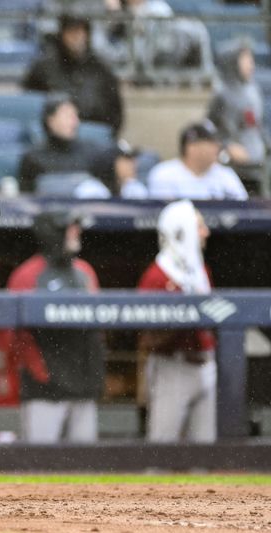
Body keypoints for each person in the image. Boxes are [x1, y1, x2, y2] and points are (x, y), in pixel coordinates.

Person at [0, 210, 106, 443]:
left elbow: (99, 327)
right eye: (70, 227)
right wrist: (38, 371)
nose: (77, 232)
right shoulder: (27, 275)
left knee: (86, 468)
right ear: (54, 233)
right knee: (39, 466)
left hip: (84, 387)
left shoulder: (85, 272)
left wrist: (94, 376)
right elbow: (11, 338)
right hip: (44, 388)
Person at [137, 200, 217, 443]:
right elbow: (144, 336)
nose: (206, 232)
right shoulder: (157, 275)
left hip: (206, 365)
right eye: (199, 226)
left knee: (205, 454)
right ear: (182, 230)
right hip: (173, 366)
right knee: (162, 449)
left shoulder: (200, 271)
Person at [23, 12, 123, 134]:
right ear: (62, 34)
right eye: (72, 32)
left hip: (94, 136)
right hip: (54, 139)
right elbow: (29, 104)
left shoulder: (102, 69)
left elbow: (115, 113)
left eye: (81, 32)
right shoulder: (43, 67)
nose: (77, 37)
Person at [207, 40, 269, 196]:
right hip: (233, 164)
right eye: (246, 59)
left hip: (257, 159)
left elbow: (256, 125)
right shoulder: (222, 93)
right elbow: (209, 127)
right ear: (232, 61)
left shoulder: (253, 89)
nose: (251, 64)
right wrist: (226, 146)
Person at [17, 93, 104, 194]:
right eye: (68, 116)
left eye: (75, 116)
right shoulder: (33, 157)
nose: (75, 122)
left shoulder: (92, 152)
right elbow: (26, 199)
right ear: (50, 120)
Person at [146, 120, 249, 200]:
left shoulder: (226, 175)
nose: (217, 147)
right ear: (192, 147)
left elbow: (243, 209)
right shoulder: (164, 174)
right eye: (210, 143)